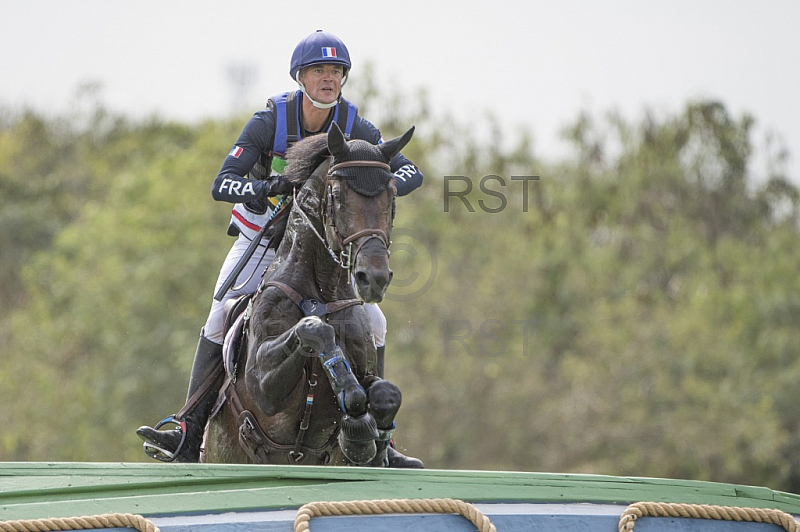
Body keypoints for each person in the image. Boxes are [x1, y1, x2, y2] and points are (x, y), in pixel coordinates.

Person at [137, 30, 423, 467]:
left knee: (376, 321)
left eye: (335, 71)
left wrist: (380, 184)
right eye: (318, 70)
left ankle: (380, 440)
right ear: (300, 77)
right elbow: (222, 184)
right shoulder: (269, 122)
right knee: (220, 313)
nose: (328, 78)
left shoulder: (356, 125)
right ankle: (188, 426)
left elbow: (411, 172)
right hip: (263, 241)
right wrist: (266, 185)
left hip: (323, 251)